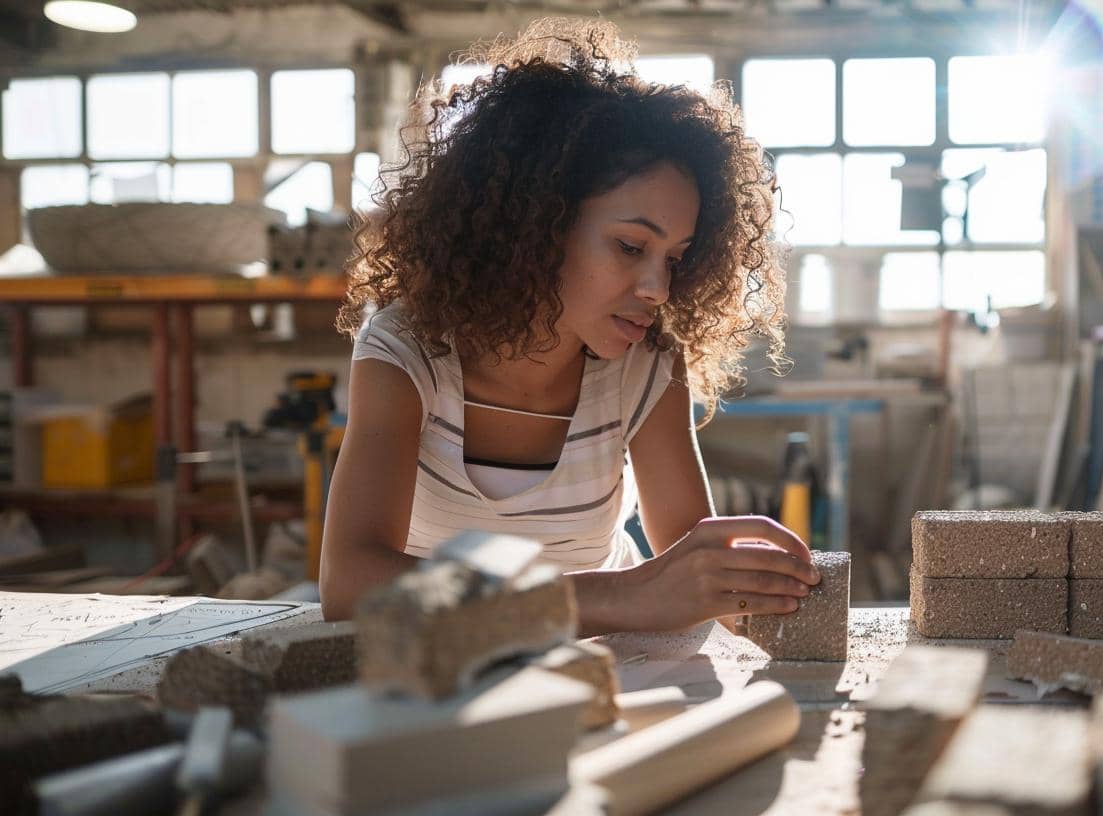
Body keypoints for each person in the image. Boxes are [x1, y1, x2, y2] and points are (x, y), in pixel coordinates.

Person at [320, 18, 820, 630]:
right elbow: (349, 584)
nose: (657, 290)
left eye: (676, 258)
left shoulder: (647, 366)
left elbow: (695, 572)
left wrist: (766, 591)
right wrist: (621, 597)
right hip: (440, 664)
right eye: (631, 247)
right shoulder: (406, 351)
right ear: (536, 228)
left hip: (607, 671)